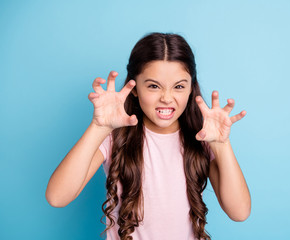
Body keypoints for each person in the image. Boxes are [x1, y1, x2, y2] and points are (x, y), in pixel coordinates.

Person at [45, 32, 251, 240]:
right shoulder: (114, 137)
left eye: (179, 86)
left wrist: (221, 145)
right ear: (134, 88)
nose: (167, 97)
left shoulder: (203, 139)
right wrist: (99, 127)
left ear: (191, 89)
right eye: (153, 86)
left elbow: (239, 212)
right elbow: (57, 197)